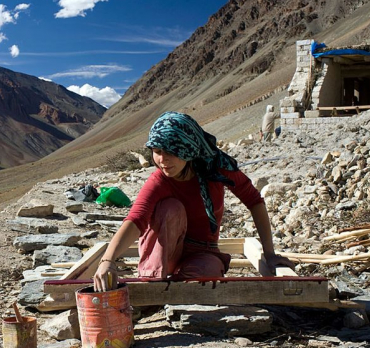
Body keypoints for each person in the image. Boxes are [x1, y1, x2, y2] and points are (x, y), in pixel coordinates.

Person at [93, 111, 294, 292]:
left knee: (205, 278)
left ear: (188, 149)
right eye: (157, 151)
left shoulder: (217, 168)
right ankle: (152, 282)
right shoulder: (159, 180)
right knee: (171, 208)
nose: (162, 160)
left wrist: (269, 253)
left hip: (203, 252)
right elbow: (136, 218)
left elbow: (254, 201)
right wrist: (107, 261)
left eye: (171, 151)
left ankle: (172, 290)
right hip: (166, 253)